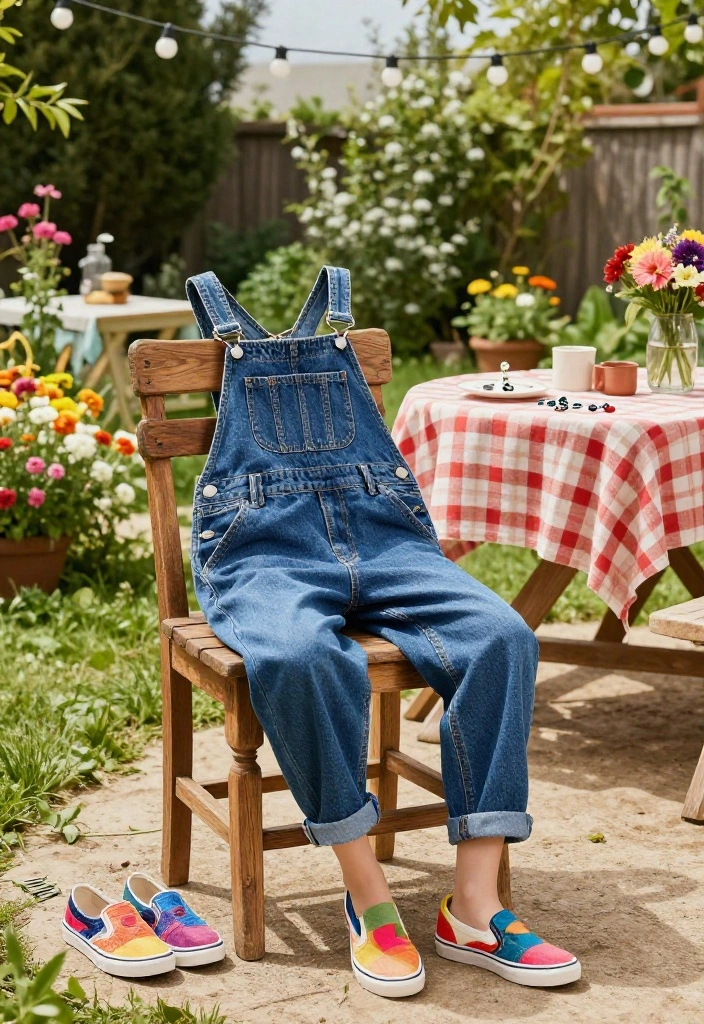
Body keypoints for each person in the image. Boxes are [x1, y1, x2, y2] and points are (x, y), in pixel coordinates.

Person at [186, 267, 581, 997]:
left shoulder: (342, 324)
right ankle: (366, 892)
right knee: (301, 657)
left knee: (504, 637)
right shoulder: (223, 336)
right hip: (264, 553)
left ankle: (474, 906)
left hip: (385, 540)